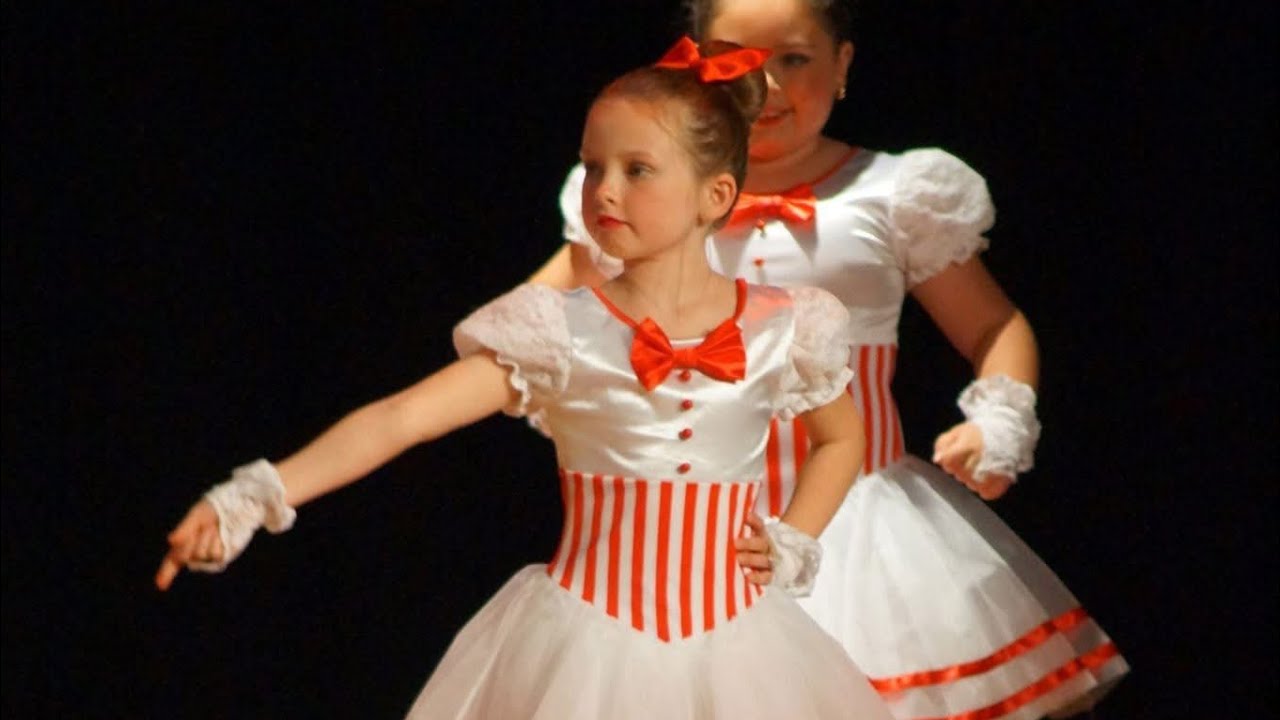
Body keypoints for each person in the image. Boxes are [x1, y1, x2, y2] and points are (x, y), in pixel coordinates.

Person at [156, 37, 896, 720]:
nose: (604, 190)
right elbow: (401, 417)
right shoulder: (559, 332)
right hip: (587, 642)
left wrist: (794, 537)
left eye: (637, 171)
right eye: (595, 166)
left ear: (716, 194)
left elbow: (841, 439)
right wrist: (253, 497)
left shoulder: (785, 326)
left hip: (743, 653)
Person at [531, 2, 1129, 719]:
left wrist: (997, 421)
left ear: (842, 64)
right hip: (695, 539)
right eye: (738, 62)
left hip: (860, 531)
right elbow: (537, 322)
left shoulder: (891, 195)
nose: (769, 89)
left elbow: (994, 325)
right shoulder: (642, 196)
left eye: (794, 60)